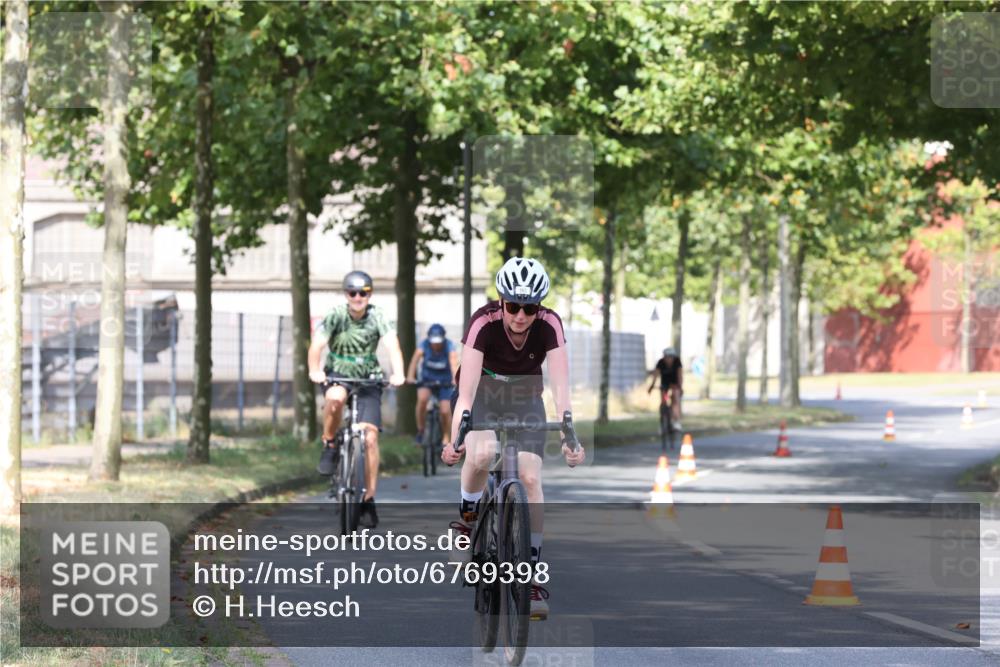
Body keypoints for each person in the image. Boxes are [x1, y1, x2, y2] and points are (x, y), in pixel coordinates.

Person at [441, 257, 586, 621]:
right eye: (513, 306)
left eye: (530, 307)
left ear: (540, 306)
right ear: (501, 301)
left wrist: (570, 434)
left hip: (525, 399)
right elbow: (467, 394)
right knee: (482, 451)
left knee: (531, 477)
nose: (521, 316)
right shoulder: (482, 323)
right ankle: (466, 520)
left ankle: (531, 577)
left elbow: (561, 387)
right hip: (485, 395)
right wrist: (456, 437)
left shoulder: (550, 324)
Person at [308, 270, 405, 529]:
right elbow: (317, 345)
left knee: (370, 438)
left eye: (364, 292)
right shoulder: (336, 315)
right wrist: (314, 370)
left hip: (369, 378)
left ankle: (368, 498)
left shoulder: (378, 316)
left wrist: (399, 373)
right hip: (338, 374)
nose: (358, 297)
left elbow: (392, 345)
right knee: (336, 399)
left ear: (370, 294)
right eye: (353, 292)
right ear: (346, 294)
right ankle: (329, 442)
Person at [406, 323, 459, 447]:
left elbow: (453, 363)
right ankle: (421, 430)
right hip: (427, 378)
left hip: (445, 380)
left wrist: (455, 379)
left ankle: (446, 437)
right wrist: (410, 376)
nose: (436, 344)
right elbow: (415, 360)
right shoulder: (423, 345)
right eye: (433, 341)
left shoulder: (449, 346)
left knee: (445, 410)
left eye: (438, 341)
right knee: (422, 399)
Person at [648, 347, 683, 432]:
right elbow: (655, 375)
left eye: (670, 357)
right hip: (665, 384)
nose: (668, 359)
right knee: (663, 401)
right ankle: (663, 422)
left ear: (673, 357)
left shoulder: (677, 362)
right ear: (664, 357)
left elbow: (680, 375)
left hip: (675, 384)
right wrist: (651, 386)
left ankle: (676, 421)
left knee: (675, 400)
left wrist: (680, 387)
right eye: (667, 357)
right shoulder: (660, 363)